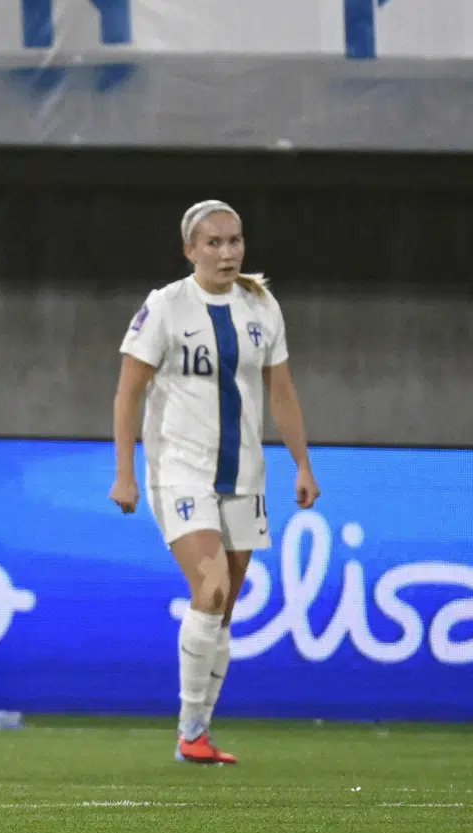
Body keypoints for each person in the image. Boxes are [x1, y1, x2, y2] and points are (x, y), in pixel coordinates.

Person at [109, 200, 320, 764]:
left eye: (235, 241)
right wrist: (124, 472)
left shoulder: (261, 304)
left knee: (223, 610)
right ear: (189, 250)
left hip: (245, 473)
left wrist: (302, 463)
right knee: (212, 588)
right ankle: (188, 730)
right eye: (213, 243)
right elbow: (128, 391)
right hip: (179, 470)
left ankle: (196, 732)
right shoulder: (166, 306)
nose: (227, 252)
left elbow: (281, 391)